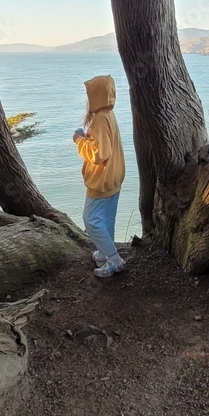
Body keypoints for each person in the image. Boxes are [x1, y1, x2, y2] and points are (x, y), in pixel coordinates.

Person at [73, 75, 126, 278]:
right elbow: (105, 146)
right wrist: (88, 138)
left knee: (91, 220)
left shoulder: (101, 118)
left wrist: (79, 140)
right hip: (113, 177)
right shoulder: (108, 114)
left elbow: (98, 154)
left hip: (101, 180)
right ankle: (105, 253)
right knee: (107, 219)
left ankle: (114, 260)